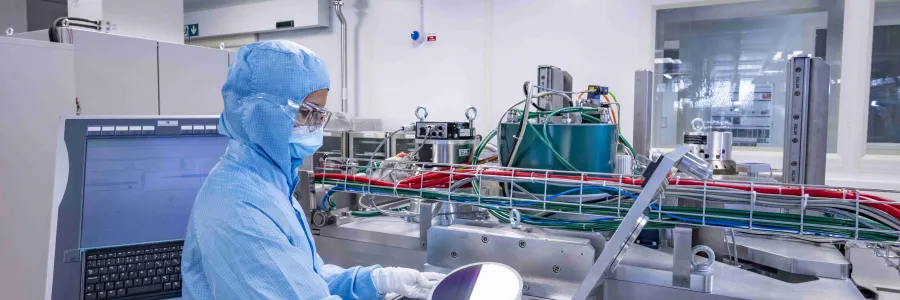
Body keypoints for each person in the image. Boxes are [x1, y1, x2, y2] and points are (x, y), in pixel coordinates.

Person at [181, 40, 444, 299]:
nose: (317, 125)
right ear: (262, 112)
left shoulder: (271, 185)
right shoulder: (237, 204)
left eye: (320, 114)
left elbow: (307, 278)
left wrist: (378, 281)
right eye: (307, 113)